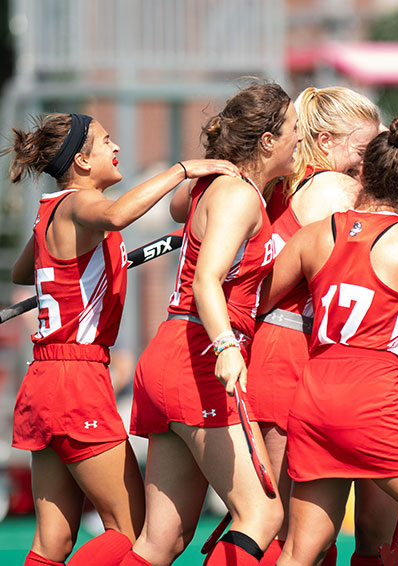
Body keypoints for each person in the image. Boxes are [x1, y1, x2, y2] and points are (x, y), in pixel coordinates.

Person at [6, 112, 234, 566]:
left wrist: (84, 266)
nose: (116, 146)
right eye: (105, 140)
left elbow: (21, 272)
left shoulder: (49, 211)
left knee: (52, 543)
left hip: (42, 382)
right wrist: (182, 170)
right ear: (83, 161)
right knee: (132, 533)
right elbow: (115, 215)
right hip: (76, 381)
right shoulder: (80, 205)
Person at [260, 116, 398, 566]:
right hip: (373, 397)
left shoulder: (319, 233)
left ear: (362, 174)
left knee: (301, 548)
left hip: (314, 394)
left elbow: (258, 298)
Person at [120, 82, 299, 566]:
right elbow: (206, 282)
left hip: (170, 354)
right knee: (262, 515)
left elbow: (181, 208)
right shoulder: (240, 196)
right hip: (198, 356)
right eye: (293, 133)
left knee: (163, 542)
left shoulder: (224, 186)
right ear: (266, 141)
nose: (299, 142)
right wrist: (226, 346)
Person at [245, 86, 381, 566]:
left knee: (301, 530)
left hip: (291, 350)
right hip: (286, 351)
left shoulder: (286, 184)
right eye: (365, 151)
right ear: (325, 142)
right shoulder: (332, 189)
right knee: (290, 530)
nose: (371, 163)